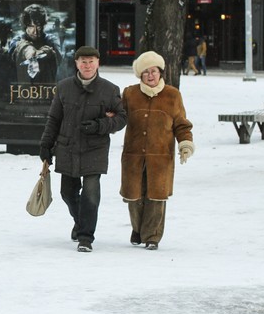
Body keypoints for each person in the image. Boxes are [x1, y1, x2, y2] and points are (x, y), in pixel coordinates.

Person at [39, 46, 127, 252]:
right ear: (76, 64)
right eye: (83, 62)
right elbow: (54, 118)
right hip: (67, 147)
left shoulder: (109, 89)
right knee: (67, 193)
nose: (87, 66)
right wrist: (45, 145)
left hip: (94, 149)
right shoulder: (64, 87)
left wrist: (100, 126)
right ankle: (80, 222)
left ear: (98, 63)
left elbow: (122, 118)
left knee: (90, 194)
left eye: (91, 61)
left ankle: (85, 237)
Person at [119, 51, 194, 251]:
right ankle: (138, 229)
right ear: (139, 76)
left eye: (154, 71)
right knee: (134, 197)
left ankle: (152, 236)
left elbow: (182, 125)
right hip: (133, 156)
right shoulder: (130, 94)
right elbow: (117, 117)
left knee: (156, 197)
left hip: (160, 158)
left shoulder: (172, 95)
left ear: (161, 72)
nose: (150, 76)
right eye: (145, 73)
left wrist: (185, 144)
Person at [9, 4, 61, 83]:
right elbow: (15, 47)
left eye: (39, 26)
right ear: (25, 26)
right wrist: (27, 49)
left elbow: (57, 55)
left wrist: (42, 52)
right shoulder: (17, 40)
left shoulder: (51, 40)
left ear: (43, 25)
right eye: (31, 26)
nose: (35, 31)